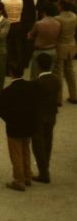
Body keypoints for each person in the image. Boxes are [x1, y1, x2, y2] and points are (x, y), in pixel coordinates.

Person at [0, 64, 38, 191]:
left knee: (16, 154)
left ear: (11, 73)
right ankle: (27, 175)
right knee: (26, 150)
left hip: (14, 127)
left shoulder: (7, 91)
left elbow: (0, 110)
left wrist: (10, 120)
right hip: (28, 124)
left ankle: (19, 180)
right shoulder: (31, 87)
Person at [31, 53, 61, 183]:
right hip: (51, 114)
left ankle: (43, 172)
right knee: (48, 141)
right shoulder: (56, 80)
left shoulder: (37, 83)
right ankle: (45, 168)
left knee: (38, 145)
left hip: (39, 116)